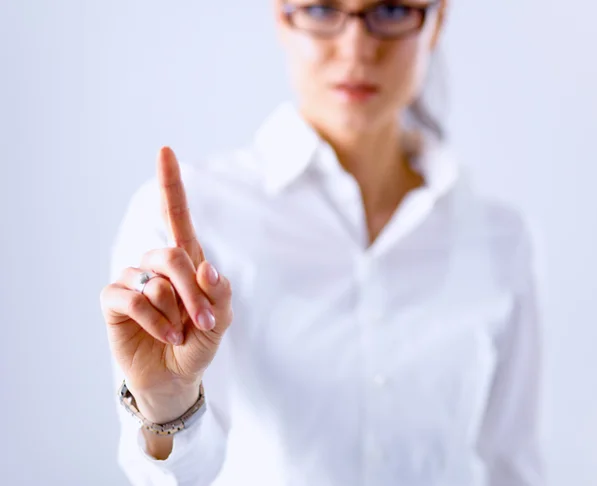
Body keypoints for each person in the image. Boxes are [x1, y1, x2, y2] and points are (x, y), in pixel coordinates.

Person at [100, 0, 544, 484]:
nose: (356, 47)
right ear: (280, 18)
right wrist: (167, 405)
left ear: (437, 21)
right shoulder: (193, 219)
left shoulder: (500, 239)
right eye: (321, 8)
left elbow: (512, 462)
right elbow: (180, 477)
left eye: (392, 10)